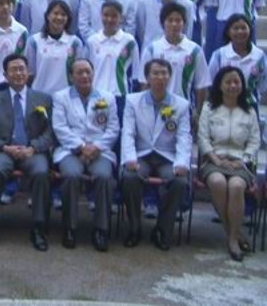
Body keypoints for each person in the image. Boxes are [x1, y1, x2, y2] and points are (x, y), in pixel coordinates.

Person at [0, 54, 52, 250]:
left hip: (32, 151)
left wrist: (33, 148)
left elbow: (49, 132)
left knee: (41, 172)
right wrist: (5, 148)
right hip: (4, 150)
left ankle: (38, 227)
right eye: (14, 70)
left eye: (22, 69)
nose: (19, 73)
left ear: (28, 73)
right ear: (5, 75)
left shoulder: (43, 99)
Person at [120, 58, 191, 251]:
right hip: (141, 155)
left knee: (179, 181)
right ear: (147, 77)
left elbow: (184, 137)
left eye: (164, 73)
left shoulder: (181, 105)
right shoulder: (133, 101)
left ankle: (162, 229)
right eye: (155, 73)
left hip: (166, 157)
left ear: (169, 77)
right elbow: (128, 132)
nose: (160, 77)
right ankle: (134, 228)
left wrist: (182, 162)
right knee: (130, 177)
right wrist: (130, 158)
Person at [52, 59, 119, 251]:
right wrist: (82, 147)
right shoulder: (60, 97)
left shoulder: (107, 97)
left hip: (100, 151)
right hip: (71, 150)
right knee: (71, 175)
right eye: (80, 72)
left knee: (104, 177)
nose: (84, 76)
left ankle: (101, 229)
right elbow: (60, 127)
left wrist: (96, 147)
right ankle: (69, 227)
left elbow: (113, 128)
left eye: (88, 72)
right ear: (71, 76)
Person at [198, 66, 261, 261]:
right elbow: (202, 137)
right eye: (228, 82)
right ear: (220, 85)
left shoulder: (249, 110)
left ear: (242, 85)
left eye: (237, 82)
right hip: (214, 160)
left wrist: (243, 161)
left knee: (235, 186)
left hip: (240, 164)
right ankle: (234, 233)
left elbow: (254, 141)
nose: (233, 86)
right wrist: (214, 157)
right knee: (218, 182)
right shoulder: (209, 108)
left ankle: (232, 239)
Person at [139, 3, 210, 109]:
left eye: (178, 20)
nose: (174, 24)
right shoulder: (152, 50)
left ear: (184, 23)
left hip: (185, 109)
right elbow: (144, 84)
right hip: (156, 109)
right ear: (163, 23)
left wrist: (198, 113)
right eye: (170, 20)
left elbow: (201, 85)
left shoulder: (195, 51)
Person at [85, 1, 140, 120]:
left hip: (121, 95)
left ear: (121, 18)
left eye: (114, 16)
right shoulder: (92, 41)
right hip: (96, 94)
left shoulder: (129, 41)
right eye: (106, 15)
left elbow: (136, 73)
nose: (109, 19)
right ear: (101, 16)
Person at [208, 14, 267, 109]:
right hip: (223, 106)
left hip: (250, 106)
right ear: (228, 32)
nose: (240, 31)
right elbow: (211, 81)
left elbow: (262, 85)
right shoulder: (219, 55)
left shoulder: (260, 56)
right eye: (235, 28)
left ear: (250, 30)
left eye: (244, 28)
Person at [25, 0, 84, 95]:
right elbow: (30, 72)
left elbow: (78, 72)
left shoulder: (75, 43)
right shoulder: (34, 41)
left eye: (63, 14)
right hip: (39, 94)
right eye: (55, 13)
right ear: (48, 16)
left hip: (66, 96)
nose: (59, 17)